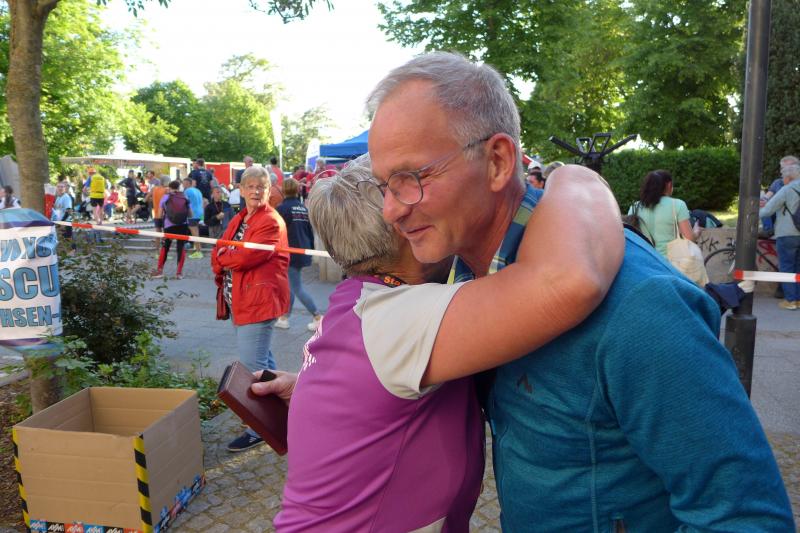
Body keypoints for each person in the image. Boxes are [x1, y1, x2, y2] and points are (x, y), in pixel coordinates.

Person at [362, 51, 792, 530]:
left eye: (411, 179)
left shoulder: (639, 310)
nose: (391, 211)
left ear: (498, 162)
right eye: (384, 185)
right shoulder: (463, 270)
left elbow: (747, 517)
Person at [256, 153, 622, 532]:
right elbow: (572, 281)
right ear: (405, 228)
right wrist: (576, 178)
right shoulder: (403, 317)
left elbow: (368, 374)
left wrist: (315, 393)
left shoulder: (360, 299)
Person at [212, 166, 289, 452]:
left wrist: (226, 255)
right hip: (242, 301)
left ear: (270, 191)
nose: (256, 191)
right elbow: (219, 250)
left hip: (258, 303)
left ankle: (259, 428)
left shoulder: (270, 221)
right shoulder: (240, 218)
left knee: (251, 368)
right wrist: (226, 254)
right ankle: (285, 413)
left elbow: (245, 257)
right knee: (264, 363)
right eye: (251, 186)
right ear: (241, 190)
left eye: (262, 187)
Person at [274, 178, 322, 332]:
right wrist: (311, 250)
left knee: (296, 287)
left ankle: (317, 317)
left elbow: (276, 232)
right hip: (302, 250)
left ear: (283, 190)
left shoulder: (281, 209)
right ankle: (284, 318)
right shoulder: (302, 208)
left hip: (290, 251)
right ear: (297, 190)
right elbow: (309, 231)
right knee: (291, 285)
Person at [627, 169, 697, 258]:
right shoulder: (678, 205)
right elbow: (689, 239)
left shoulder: (635, 207)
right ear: (669, 185)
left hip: (644, 260)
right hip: (669, 262)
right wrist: (696, 232)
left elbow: (630, 236)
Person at [759, 163, 800, 310]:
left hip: (787, 233)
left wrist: (756, 212)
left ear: (788, 177)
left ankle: (790, 301)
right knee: (798, 267)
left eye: (783, 176)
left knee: (787, 267)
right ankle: (798, 299)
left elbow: (767, 210)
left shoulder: (787, 189)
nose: (782, 179)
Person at [152, 180, 190, 280]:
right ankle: (179, 273)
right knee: (181, 247)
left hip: (169, 226)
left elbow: (159, 215)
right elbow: (190, 214)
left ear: (169, 187)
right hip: (183, 225)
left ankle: (160, 270)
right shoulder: (185, 197)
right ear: (179, 187)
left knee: (166, 246)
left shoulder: (166, 197)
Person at [761, 155, 799, 237]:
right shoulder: (778, 182)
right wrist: (763, 200)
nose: (783, 171)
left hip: (793, 218)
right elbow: (767, 196)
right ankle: (768, 230)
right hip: (779, 213)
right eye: (782, 168)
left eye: (786, 168)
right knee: (764, 204)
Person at [182, 177, 205, 259]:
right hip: (200, 213)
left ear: (187, 184)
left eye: (183, 183)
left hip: (192, 214)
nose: (182, 185)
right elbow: (202, 202)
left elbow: (184, 203)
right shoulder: (198, 190)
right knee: (196, 232)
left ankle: (198, 251)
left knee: (194, 233)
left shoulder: (187, 191)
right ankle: (197, 249)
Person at [51, 181, 74, 245]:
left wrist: (62, 222)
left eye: (62, 187)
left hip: (66, 222)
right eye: (58, 187)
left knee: (68, 240)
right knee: (63, 240)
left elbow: (69, 211)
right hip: (59, 222)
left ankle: (73, 250)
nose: (60, 188)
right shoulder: (58, 197)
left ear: (65, 188)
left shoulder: (66, 197)